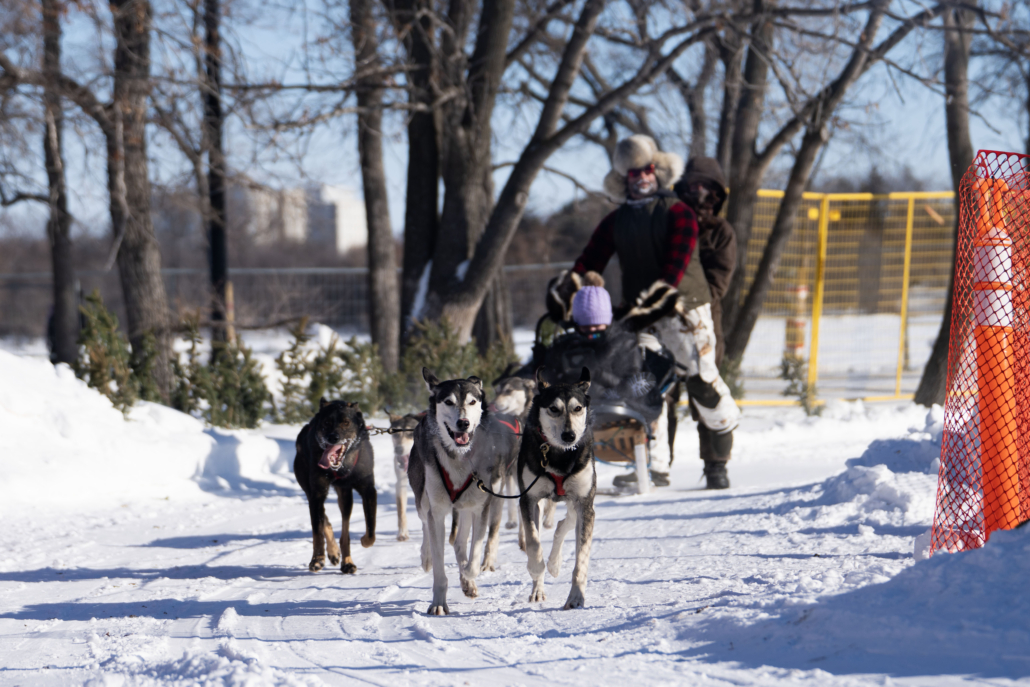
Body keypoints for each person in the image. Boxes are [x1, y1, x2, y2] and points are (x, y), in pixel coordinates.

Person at [567, 135, 740, 488]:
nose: (641, 178)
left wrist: (659, 298)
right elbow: (589, 261)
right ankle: (653, 467)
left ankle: (719, 456)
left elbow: (676, 265)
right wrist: (571, 290)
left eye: (646, 171)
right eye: (633, 174)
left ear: (658, 172)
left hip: (686, 311)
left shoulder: (678, 212)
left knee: (703, 384)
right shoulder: (616, 221)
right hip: (644, 318)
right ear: (624, 179)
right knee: (646, 387)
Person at [674, 157, 738, 489]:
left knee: (706, 392)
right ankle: (657, 466)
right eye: (691, 186)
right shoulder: (668, 223)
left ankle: (716, 464)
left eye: (705, 187)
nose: (697, 193)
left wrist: (690, 304)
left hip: (703, 325)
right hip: (662, 321)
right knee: (659, 393)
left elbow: (718, 283)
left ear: (716, 193)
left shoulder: (721, 232)